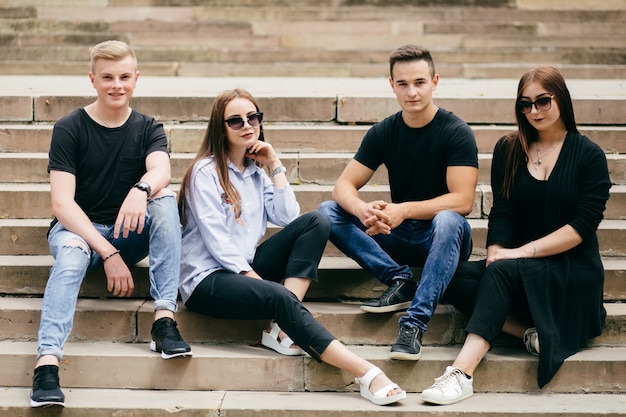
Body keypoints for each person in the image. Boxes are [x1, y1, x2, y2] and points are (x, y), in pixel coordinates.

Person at [177, 88, 406, 406]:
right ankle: (366, 373)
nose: (247, 125)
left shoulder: (256, 171)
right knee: (278, 295)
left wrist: (274, 165)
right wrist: (256, 282)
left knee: (316, 222)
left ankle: (281, 326)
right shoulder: (205, 172)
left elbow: (288, 217)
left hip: (247, 264)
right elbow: (216, 240)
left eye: (253, 117)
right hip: (206, 279)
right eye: (235, 120)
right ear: (220, 127)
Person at [421, 66, 611, 405]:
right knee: (446, 276)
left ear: (561, 99)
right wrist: (497, 250)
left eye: (542, 101)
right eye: (525, 104)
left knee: (503, 269)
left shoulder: (589, 156)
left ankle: (461, 373)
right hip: (520, 269)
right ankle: (529, 334)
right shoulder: (509, 149)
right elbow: (503, 212)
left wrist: (519, 253)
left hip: (571, 271)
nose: (534, 111)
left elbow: (581, 228)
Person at [30, 40, 192, 408]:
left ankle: (164, 320)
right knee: (70, 258)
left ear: (136, 79)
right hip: (78, 233)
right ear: (93, 79)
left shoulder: (148, 127)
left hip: (126, 231)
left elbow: (162, 169)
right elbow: (62, 203)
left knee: (164, 199)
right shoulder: (69, 128)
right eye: (107, 77)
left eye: (123, 76)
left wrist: (141, 190)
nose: (116, 84)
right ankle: (47, 364)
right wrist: (107, 252)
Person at [318, 44, 478, 360]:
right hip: (398, 236)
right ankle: (398, 279)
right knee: (328, 211)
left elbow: (463, 200)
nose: (412, 92)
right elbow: (343, 186)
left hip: (441, 237)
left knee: (448, 219)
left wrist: (403, 210)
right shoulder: (384, 131)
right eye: (402, 84)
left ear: (435, 82)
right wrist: (362, 209)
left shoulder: (455, 132)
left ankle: (414, 324)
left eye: (419, 82)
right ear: (392, 85)